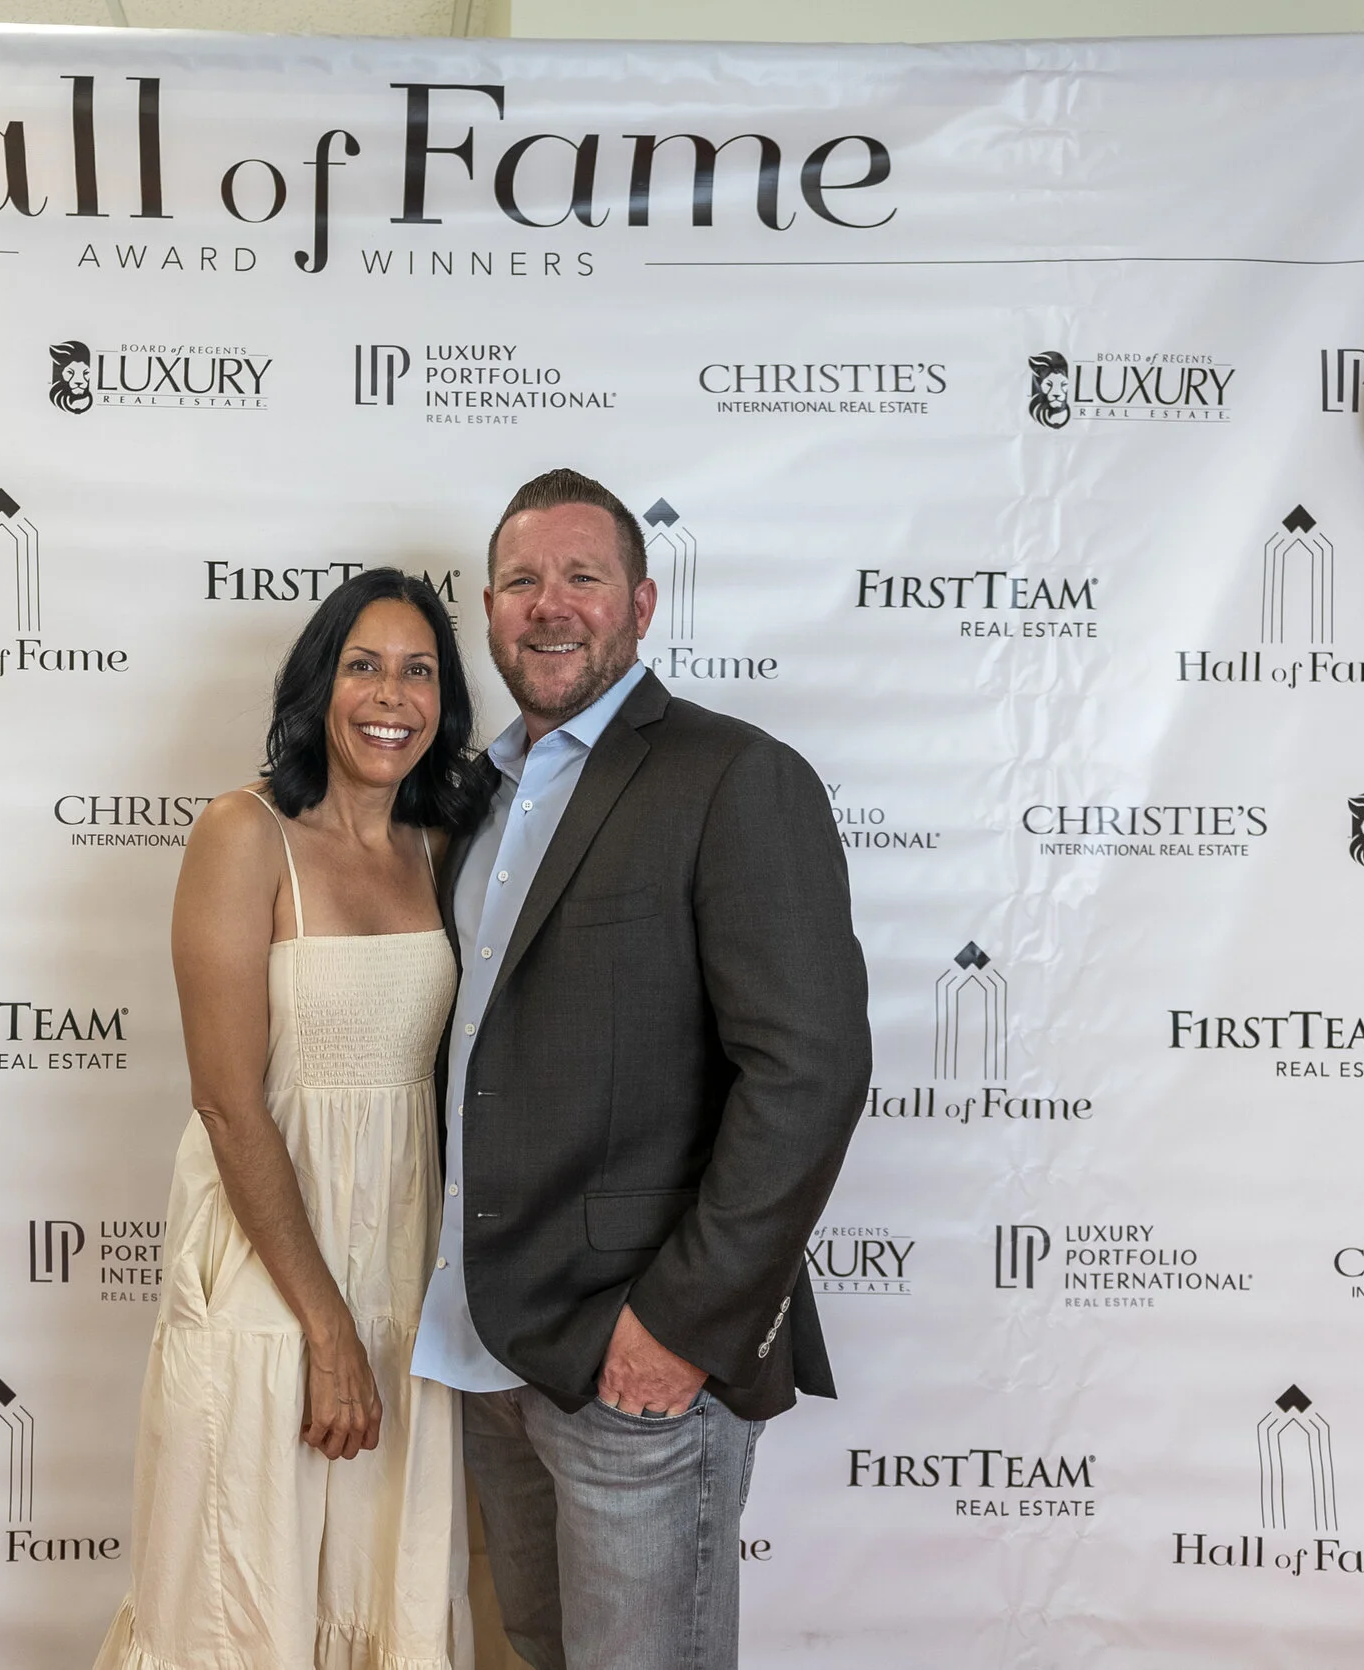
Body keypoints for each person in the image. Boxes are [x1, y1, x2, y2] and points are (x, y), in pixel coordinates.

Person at [414, 468, 870, 1670]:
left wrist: (676, 1325)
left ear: (643, 602)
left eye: (582, 577)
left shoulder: (733, 777)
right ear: (487, 604)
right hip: (487, 1348)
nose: (549, 604)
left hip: (639, 1360)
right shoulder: (469, 798)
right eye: (522, 580)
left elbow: (808, 1073)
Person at [97, 568, 483, 1670]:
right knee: (241, 1603)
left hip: (404, 1280)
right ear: (319, 682)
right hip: (272, 1281)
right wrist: (326, 1330)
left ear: (444, 705)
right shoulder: (243, 831)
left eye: (419, 671)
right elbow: (227, 1103)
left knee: (380, 1592)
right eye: (363, 663)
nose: (390, 694)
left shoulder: (440, 849)